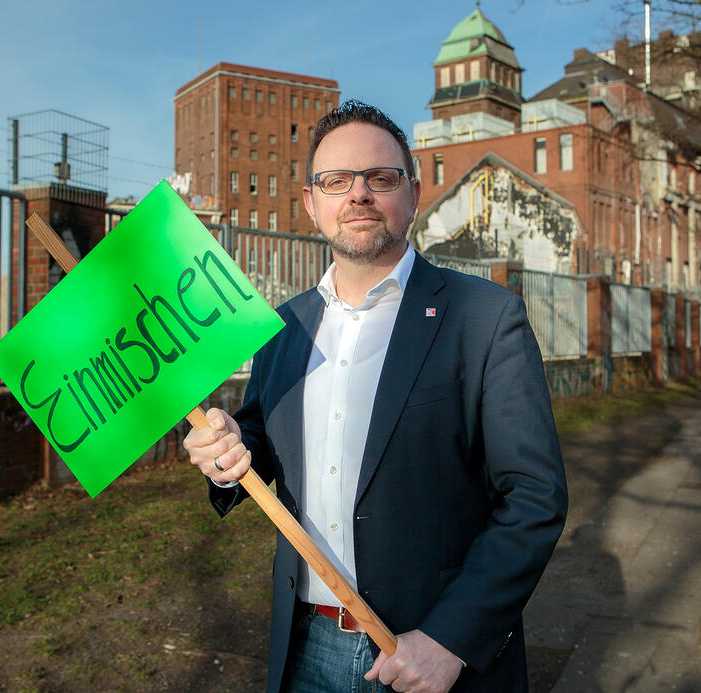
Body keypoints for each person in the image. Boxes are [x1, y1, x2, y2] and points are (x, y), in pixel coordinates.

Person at [184, 100, 567, 693]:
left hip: (428, 656)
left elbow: (535, 496)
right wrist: (228, 452)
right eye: (336, 181)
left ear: (412, 195)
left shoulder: (484, 318)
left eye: (380, 178)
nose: (358, 194)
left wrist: (450, 639)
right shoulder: (284, 327)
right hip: (304, 647)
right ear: (311, 203)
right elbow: (259, 437)